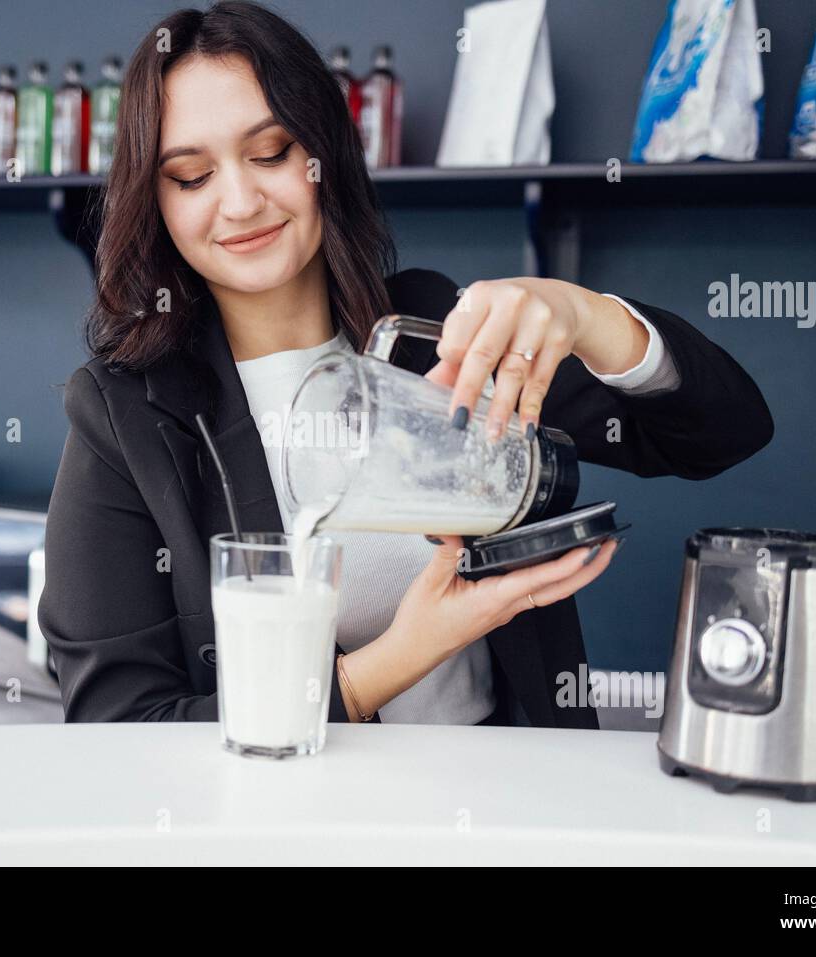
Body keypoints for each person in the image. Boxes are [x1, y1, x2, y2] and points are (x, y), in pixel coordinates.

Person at [38, 1, 774, 728]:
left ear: (322, 152)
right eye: (192, 176)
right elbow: (120, 722)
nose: (240, 201)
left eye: (271, 153)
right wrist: (399, 656)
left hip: (505, 811)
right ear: (155, 199)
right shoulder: (125, 414)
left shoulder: (438, 333)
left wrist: (585, 315)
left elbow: (724, 431)